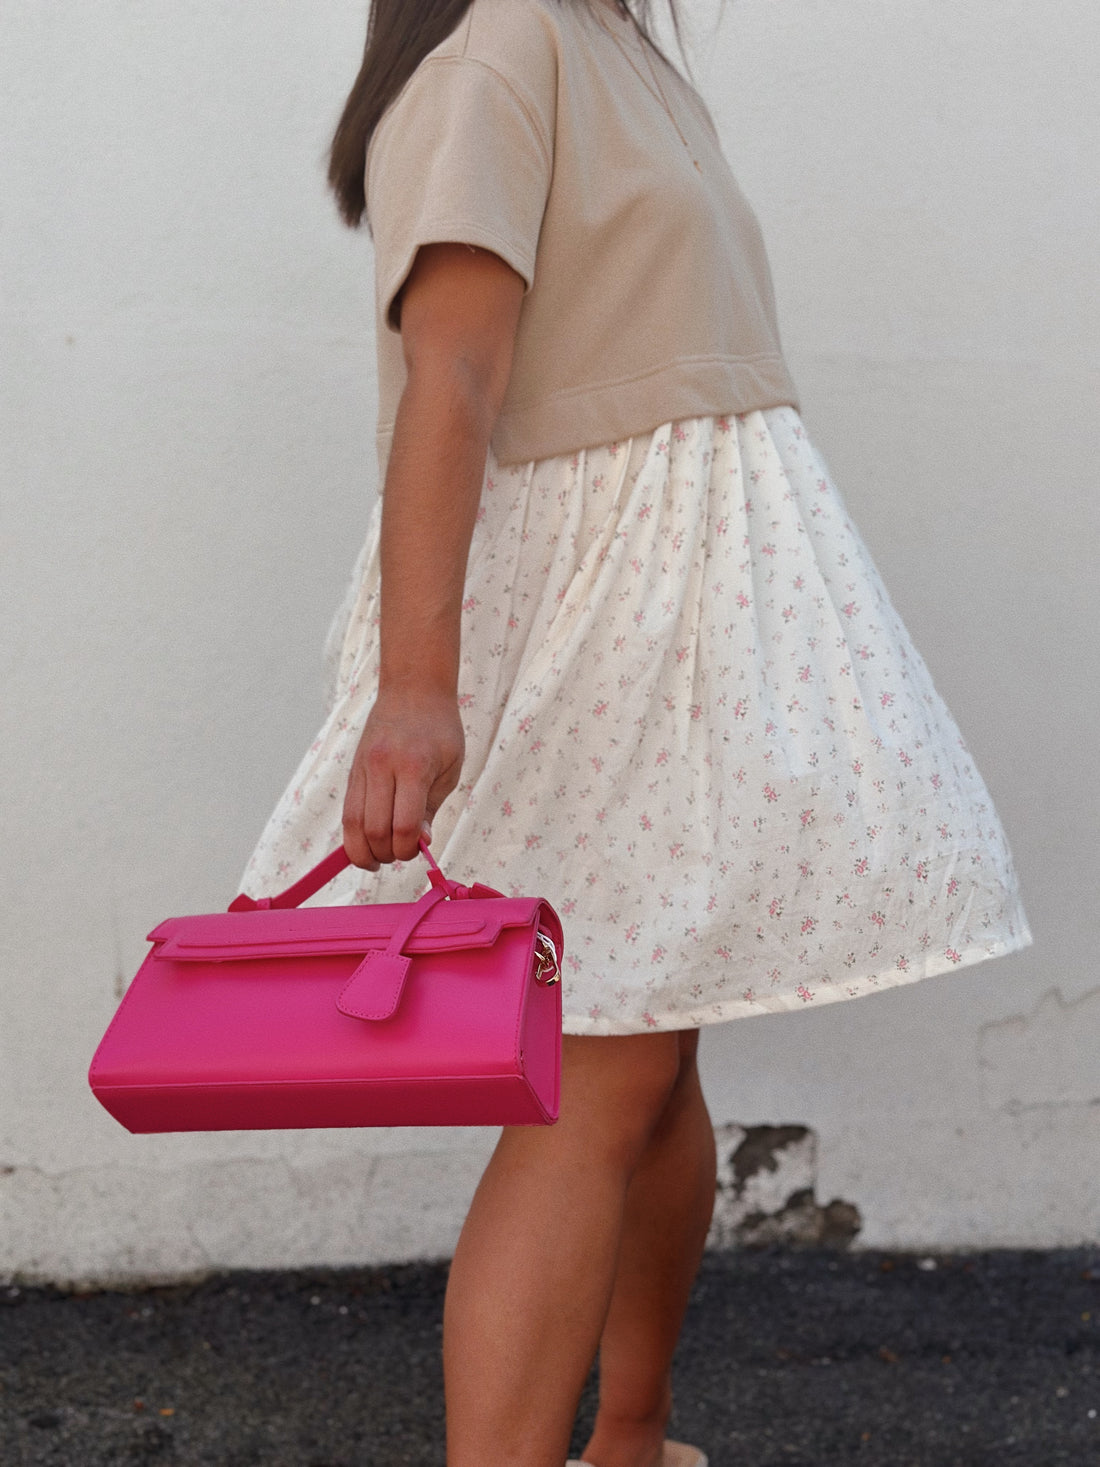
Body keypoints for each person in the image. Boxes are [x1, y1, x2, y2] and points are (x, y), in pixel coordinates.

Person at [238, 1, 1032, 1462]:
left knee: (653, 1068)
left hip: (681, 619)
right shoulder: (502, 45)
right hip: (605, 617)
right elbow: (453, 373)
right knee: (594, 1085)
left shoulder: (611, 44)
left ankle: (634, 1441)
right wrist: (414, 686)